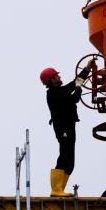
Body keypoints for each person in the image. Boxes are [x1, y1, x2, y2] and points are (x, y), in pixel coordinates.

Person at [41, 61, 93, 197]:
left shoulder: (60, 91)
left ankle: (60, 189)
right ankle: (56, 189)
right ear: (52, 80)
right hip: (63, 127)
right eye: (56, 76)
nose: (59, 77)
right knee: (64, 155)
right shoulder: (52, 94)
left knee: (70, 160)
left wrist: (87, 70)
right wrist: (78, 91)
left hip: (69, 126)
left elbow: (75, 83)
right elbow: (73, 99)